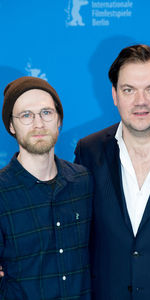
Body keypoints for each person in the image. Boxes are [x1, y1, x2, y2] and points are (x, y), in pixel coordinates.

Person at [74, 44, 150, 299]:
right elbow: (73, 231)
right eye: (128, 90)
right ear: (114, 95)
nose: (140, 101)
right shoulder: (89, 150)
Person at [0, 76, 92, 299]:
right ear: (11, 125)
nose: (38, 124)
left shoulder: (84, 181)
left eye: (46, 113)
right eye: (26, 115)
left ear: (59, 119)